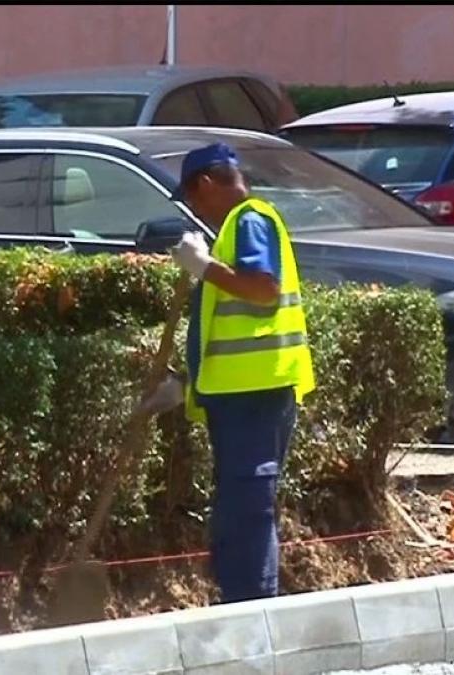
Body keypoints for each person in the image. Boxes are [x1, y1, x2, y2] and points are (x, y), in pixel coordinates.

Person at [139, 143, 315, 604]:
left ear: (207, 184)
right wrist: (185, 385)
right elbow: (227, 330)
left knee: (248, 510)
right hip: (242, 395)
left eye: (193, 198)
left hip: (256, 396)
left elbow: (263, 290)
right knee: (240, 511)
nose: (196, 209)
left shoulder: (250, 220)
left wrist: (204, 268)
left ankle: (253, 612)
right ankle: (243, 603)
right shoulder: (237, 229)